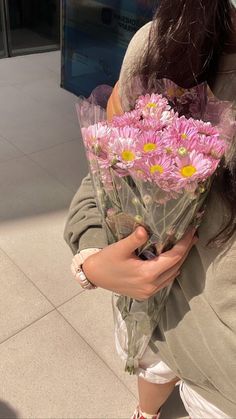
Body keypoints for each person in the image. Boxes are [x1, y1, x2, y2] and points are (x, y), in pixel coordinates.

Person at [64, 1, 236, 418]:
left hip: (222, 381)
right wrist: (91, 260)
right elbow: (108, 177)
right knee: (153, 371)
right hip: (151, 316)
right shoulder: (161, 42)